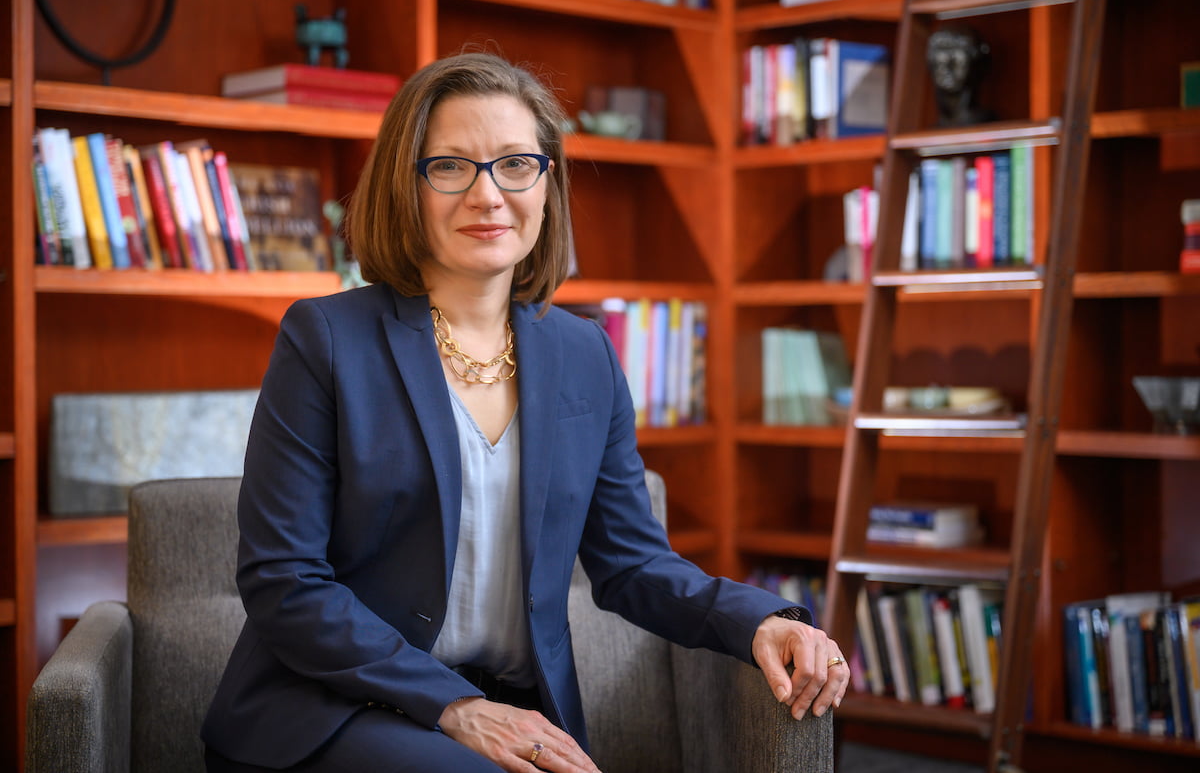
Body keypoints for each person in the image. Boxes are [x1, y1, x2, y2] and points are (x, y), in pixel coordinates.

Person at [202, 50, 849, 773]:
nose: (488, 195)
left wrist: (759, 618)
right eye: (451, 166)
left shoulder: (585, 354)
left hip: (514, 707)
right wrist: (454, 705)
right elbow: (283, 580)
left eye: (516, 164)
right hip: (334, 709)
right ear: (407, 184)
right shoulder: (325, 339)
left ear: (547, 184)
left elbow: (632, 563)